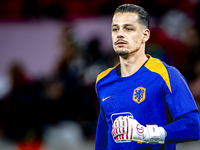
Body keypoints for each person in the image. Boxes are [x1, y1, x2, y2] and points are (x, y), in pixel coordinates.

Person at [95, 4, 200, 150]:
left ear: (145, 35)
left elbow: (193, 126)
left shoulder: (166, 74)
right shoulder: (103, 80)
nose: (119, 34)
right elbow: (102, 142)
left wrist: (146, 134)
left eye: (128, 28)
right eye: (115, 29)